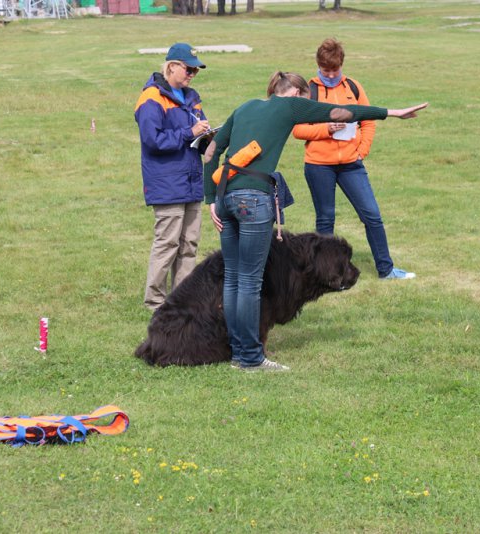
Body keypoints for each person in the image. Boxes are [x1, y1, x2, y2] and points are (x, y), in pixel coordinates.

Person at [203, 71, 427, 371]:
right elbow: (343, 112)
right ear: (297, 93)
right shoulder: (290, 105)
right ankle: (250, 358)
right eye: (308, 99)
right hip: (253, 200)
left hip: (226, 198)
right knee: (250, 282)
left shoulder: (245, 107)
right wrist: (392, 112)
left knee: (233, 277)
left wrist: (211, 199)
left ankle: (236, 352)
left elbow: (211, 151)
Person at [293, 38, 415, 280]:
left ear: (342, 64)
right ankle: (325, 276)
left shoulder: (354, 87)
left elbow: (368, 120)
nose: (330, 75)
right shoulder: (309, 90)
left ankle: (386, 270)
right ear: (318, 65)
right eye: (325, 70)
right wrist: (326, 129)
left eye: (335, 69)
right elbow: (298, 129)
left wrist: (362, 150)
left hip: (351, 164)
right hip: (319, 165)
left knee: (372, 215)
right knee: (325, 219)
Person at [134, 43, 212, 311]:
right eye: (189, 69)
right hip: (167, 182)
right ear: (172, 67)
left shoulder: (192, 97)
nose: (192, 74)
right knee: (167, 243)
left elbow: (196, 135)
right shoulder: (151, 98)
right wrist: (190, 133)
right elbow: (152, 140)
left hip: (191, 181)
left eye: (195, 71)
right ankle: (155, 302)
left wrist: (209, 138)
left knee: (189, 244)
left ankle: (183, 300)